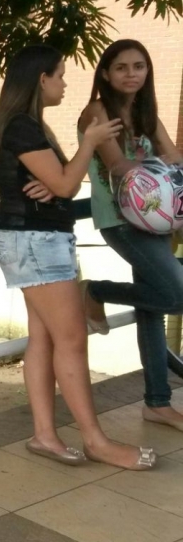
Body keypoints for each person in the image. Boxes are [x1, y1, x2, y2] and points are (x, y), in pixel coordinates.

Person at [0, 44, 155, 470]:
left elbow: (65, 185)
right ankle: (96, 441)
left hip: (37, 239)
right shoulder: (23, 127)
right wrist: (89, 145)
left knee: (44, 339)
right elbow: (64, 184)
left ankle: (44, 435)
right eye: (59, 75)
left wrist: (58, 182)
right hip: (36, 242)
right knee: (73, 341)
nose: (64, 83)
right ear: (41, 79)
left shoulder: (28, 127)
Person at [79, 39, 183, 433]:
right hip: (121, 221)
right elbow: (120, 168)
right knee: (176, 295)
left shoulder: (146, 111)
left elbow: (173, 159)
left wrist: (174, 207)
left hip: (157, 220)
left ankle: (157, 403)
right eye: (122, 67)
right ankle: (97, 291)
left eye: (139, 66)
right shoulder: (96, 112)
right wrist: (165, 172)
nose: (131, 74)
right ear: (105, 72)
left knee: (152, 310)